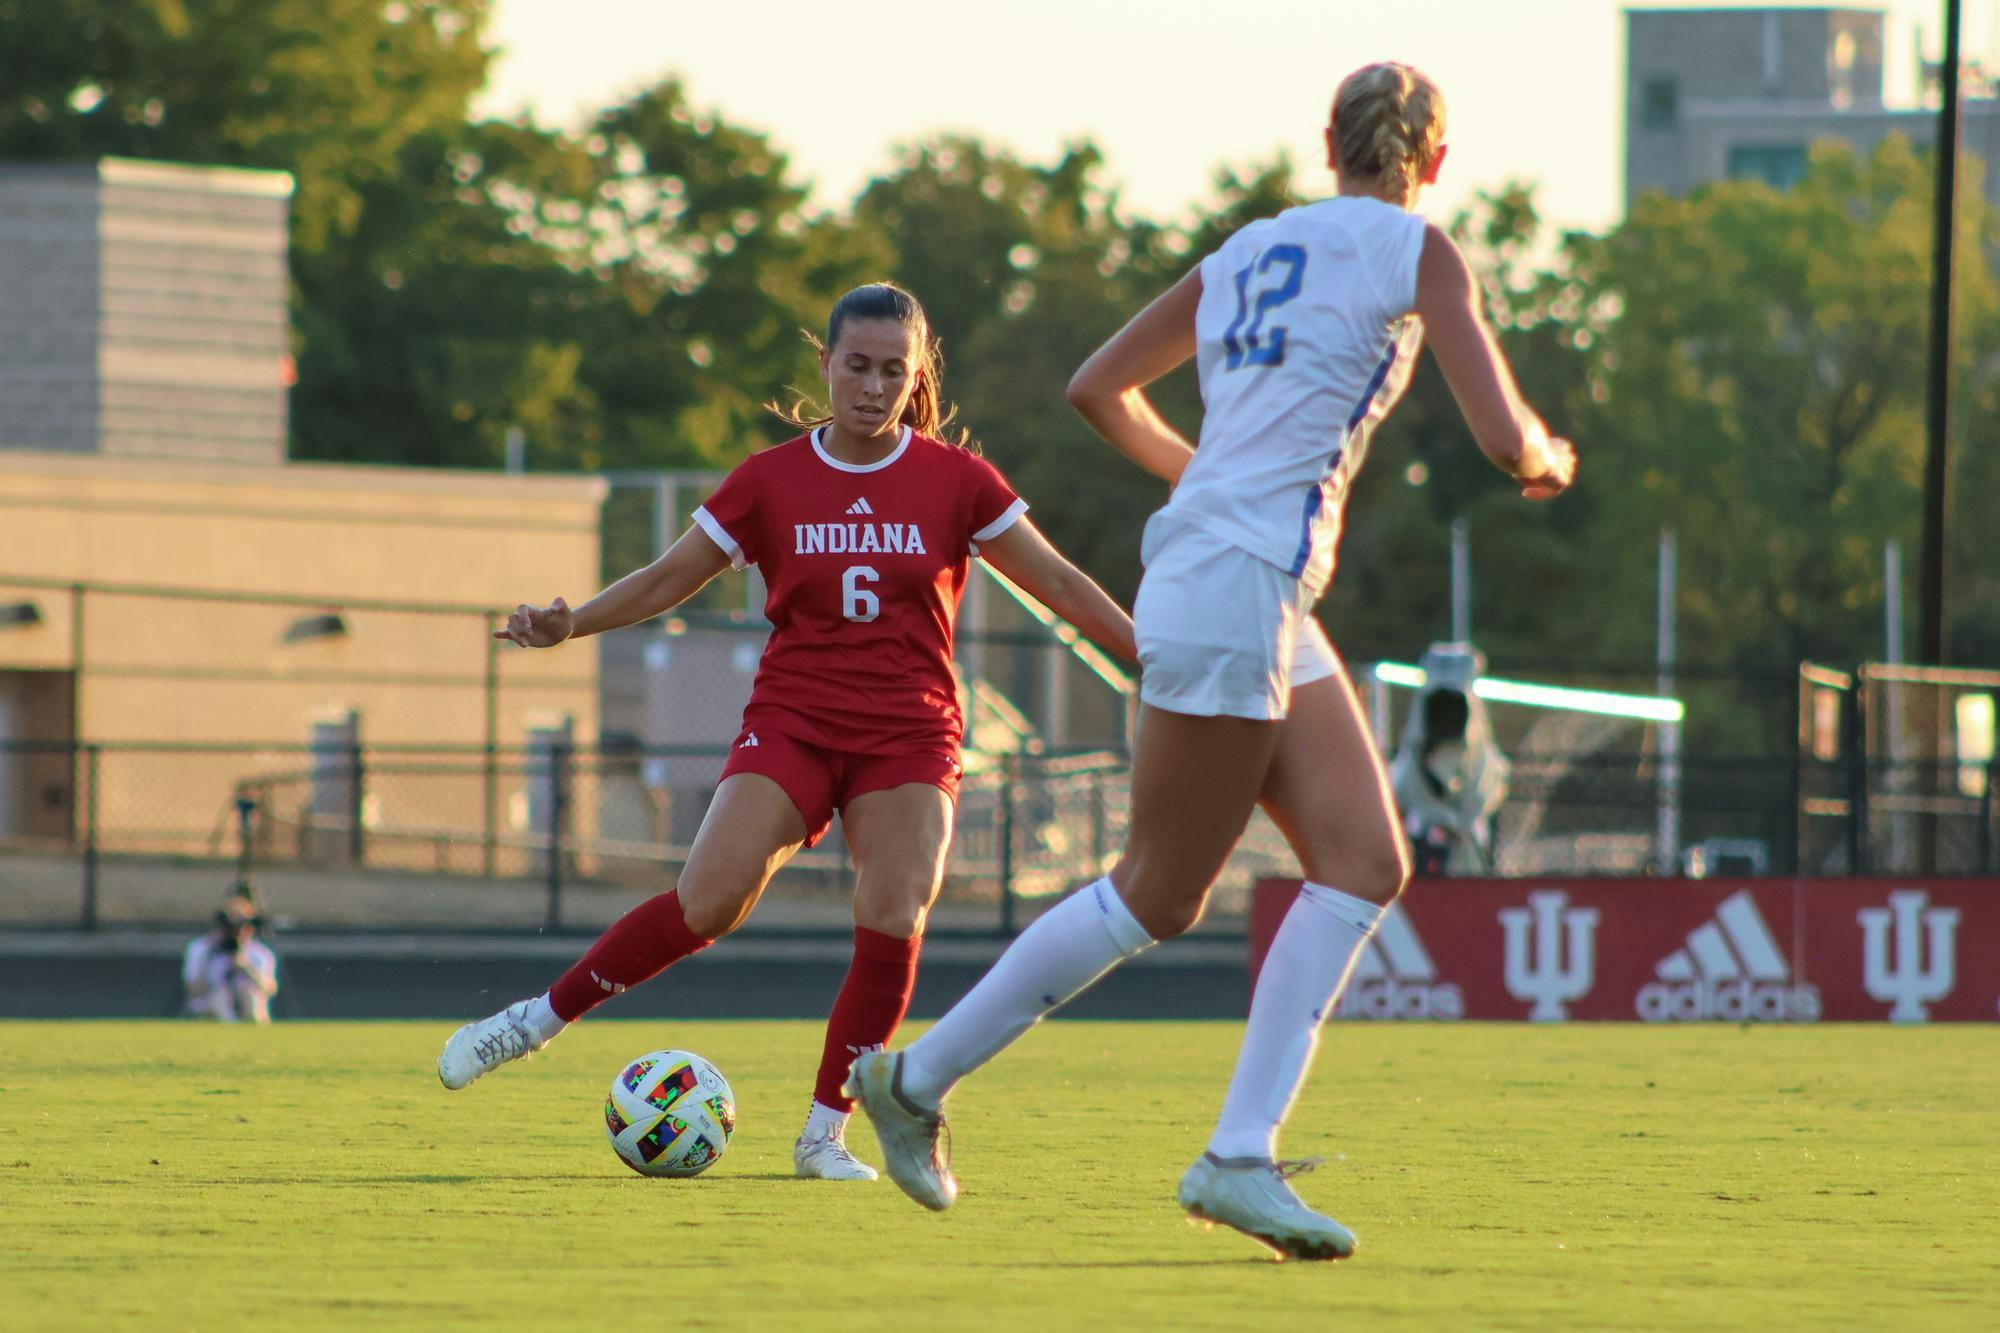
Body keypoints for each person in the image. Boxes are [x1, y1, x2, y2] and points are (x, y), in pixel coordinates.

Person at [850, 63, 1576, 1257]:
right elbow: (1505, 442)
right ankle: (920, 1081)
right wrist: (1548, 456)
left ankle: (1235, 1152)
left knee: (1362, 862)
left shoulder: (1249, 248)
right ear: (1433, 163)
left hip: (1246, 585)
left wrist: (1208, 482)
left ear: (1323, 144)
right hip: (1237, 584)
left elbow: (1098, 387)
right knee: (1157, 890)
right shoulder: (1420, 250)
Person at [436, 282, 1137, 1182]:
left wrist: (1155, 652)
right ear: (825, 365)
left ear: (916, 373)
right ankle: (534, 1021)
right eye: (857, 365)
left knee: (893, 913)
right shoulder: (769, 479)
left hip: (909, 734)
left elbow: (1066, 586)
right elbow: (665, 578)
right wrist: (572, 623)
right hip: (795, 720)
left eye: (894, 369)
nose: (874, 386)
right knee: (709, 900)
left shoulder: (958, 480)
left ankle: (823, 1136)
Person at [182, 894, 279, 1023]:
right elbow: (193, 990)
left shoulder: (259, 953)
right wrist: (212, 957)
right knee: (222, 998)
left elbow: (269, 989)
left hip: (247, 1001)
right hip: (211, 1004)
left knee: (250, 998)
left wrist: (246, 967)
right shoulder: (202, 948)